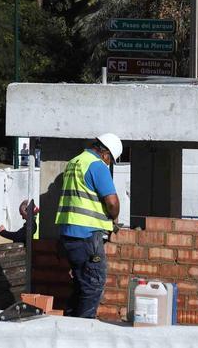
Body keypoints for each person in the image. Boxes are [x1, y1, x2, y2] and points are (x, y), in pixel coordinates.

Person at [55, 133, 122, 318]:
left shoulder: (74, 162)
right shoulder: (97, 165)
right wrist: (114, 217)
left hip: (68, 236)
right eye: (110, 160)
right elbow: (112, 203)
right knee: (93, 284)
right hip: (86, 237)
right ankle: (84, 328)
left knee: (81, 284)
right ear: (106, 153)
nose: (108, 163)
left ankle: (70, 325)